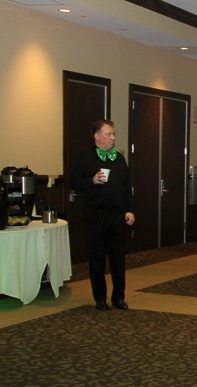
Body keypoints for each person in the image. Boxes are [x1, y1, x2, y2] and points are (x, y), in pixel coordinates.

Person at [69, 119, 136, 311]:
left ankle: (119, 297)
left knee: (118, 258)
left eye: (114, 134)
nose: (113, 138)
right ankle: (100, 298)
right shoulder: (84, 159)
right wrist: (91, 180)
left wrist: (130, 209)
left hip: (116, 215)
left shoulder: (119, 159)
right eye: (109, 134)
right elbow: (74, 184)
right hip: (94, 215)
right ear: (97, 136)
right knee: (97, 258)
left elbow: (126, 188)